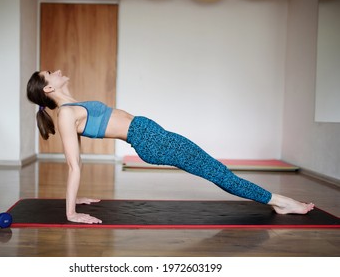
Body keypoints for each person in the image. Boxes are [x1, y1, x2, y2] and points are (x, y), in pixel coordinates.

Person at [26, 70, 314, 224]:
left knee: (217, 171)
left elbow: (80, 160)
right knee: (220, 174)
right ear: (48, 89)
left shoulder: (71, 108)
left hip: (153, 135)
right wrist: (71, 212)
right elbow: (73, 163)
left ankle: (277, 201)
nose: (58, 70)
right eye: (51, 72)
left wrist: (78, 199)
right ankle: (282, 202)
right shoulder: (65, 114)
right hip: (150, 141)